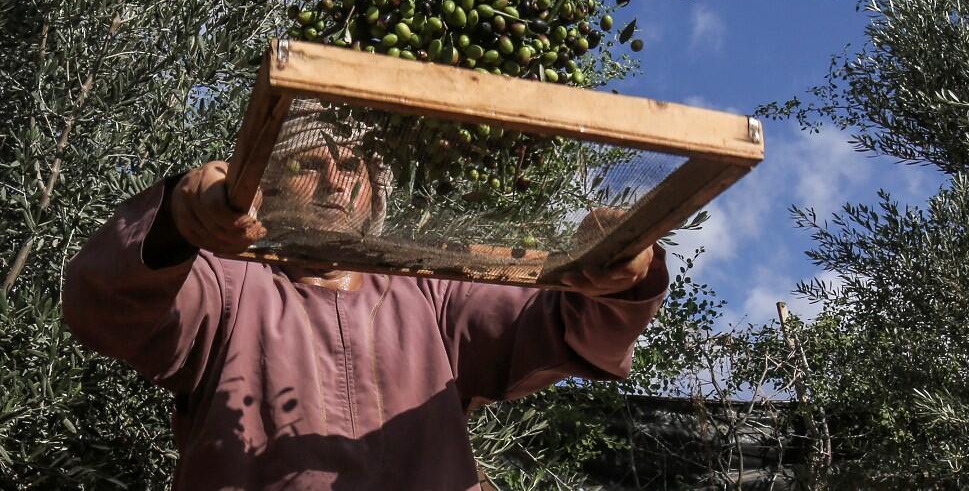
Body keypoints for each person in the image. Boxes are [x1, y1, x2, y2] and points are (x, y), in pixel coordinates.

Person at [62, 103, 669, 491]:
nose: (336, 179)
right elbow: (108, 305)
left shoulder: (431, 296)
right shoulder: (228, 283)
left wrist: (620, 275)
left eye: (352, 163)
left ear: (375, 194)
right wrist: (176, 218)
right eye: (309, 162)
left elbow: (566, 325)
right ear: (264, 188)